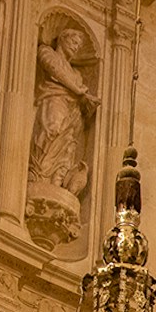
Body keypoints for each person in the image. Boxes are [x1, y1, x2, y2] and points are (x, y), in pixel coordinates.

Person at [27, 27, 99, 196]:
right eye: (74, 42)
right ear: (62, 39)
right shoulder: (47, 52)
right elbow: (54, 70)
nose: (76, 47)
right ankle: (37, 174)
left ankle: (56, 183)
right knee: (51, 129)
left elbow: (81, 93)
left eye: (79, 45)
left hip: (72, 110)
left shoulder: (77, 73)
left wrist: (87, 101)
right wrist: (79, 91)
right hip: (54, 99)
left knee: (68, 146)